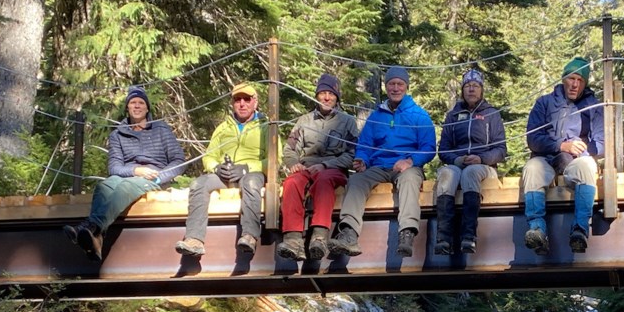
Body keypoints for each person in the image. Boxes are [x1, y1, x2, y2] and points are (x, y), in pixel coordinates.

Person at [64, 86, 186, 261]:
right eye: (133, 103)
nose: (137, 106)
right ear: (127, 108)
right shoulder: (117, 135)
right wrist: (135, 170)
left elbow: (179, 161)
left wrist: (159, 175)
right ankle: (96, 237)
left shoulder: (161, 129)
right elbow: (114, 168)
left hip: (154, 177)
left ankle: (91, 228)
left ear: (147, 108)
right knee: (104, 186)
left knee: (125, 187)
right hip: (126, 175)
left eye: (141, 103)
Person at [328, 66, 437, 258]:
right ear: (386, 87)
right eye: (391, 84)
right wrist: (362, 159)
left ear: (406, 86)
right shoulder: (376, 116)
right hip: (378, 166)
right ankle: (349, 233)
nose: (395, 88)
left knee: (410, 179)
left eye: (399, 84)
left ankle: (407, 232)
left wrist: (411, 161)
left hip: (407, 166)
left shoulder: (419, 115)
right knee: (356, 180)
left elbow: (429, 148)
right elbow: (365, 144)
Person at [175, 83, 280, 257]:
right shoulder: (223, 128)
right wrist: (216, 167)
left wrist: (247, 168)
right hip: (224, 175)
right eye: (237, 100)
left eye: (246, 99)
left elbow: (275, 160)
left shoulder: (267, 127)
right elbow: (208, 156)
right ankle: (194, 239)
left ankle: (250, 236)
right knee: (198, 184)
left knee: (252, 183)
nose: (242, 104)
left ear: (255, 102)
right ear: (232, 103)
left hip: (251, 173)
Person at [521, 56, 604, 255]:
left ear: (584, 83)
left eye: (580, 80)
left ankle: (579, 229)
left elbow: (602, 144)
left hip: (576, 161)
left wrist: (579, 150)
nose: (574, 84)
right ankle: (537, 229)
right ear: (563, 79)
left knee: (586, 166)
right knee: (531, 169)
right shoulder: (544, 103)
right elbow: (533, 139)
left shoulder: (593, 106)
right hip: (547, 158)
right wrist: (561, 145)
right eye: (571, 78)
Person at [277, 73, 359, 261]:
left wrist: (326, 165)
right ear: (317, 96)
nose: (326, 97)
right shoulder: (304, 121)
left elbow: (353, 153)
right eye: (322, 93)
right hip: (306, 168)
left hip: (333, 169)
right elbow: (289, 149)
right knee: (291, 182)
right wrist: (294, 164)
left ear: (337, 97)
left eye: (330, 94)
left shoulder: (347, 121)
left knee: (324, 180)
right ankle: (293, 239)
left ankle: (319, 237)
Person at [434, 69, 507, 254]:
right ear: (462, 90)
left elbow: (501, 150)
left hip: (484, 166)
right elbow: (443, 149)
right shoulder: (453, 116)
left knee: (471, 173)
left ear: (482, 89)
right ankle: (443, 237)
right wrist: (457, 159)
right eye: (467, 86)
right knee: (446, 173)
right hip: (458, 164)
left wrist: (481, 158)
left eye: (475, 86)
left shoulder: (491, 114)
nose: (471, 90)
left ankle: (468, 235)